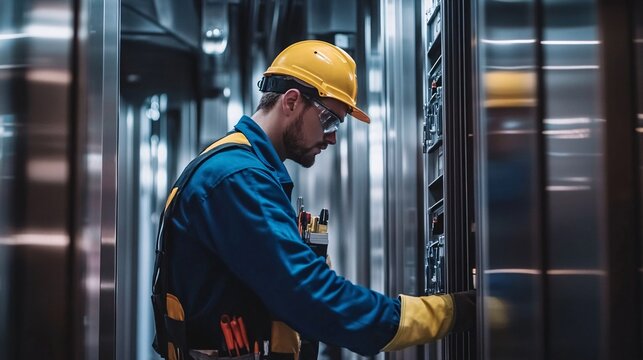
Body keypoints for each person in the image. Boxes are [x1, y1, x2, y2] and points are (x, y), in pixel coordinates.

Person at [151, 40, 475, 360]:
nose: (332, 137)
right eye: (329, 120)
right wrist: (446, 313)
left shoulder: (244, 171)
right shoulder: (237, 179)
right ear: (291, 101)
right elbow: (312, 297)